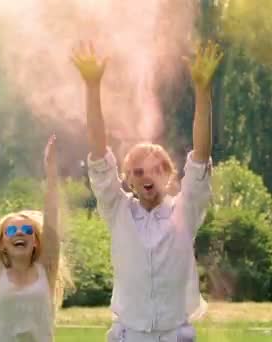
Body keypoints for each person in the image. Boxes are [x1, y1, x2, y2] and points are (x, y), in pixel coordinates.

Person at [72, 41, 223, 341]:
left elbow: (201, 156)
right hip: (129, 334)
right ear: (127, 179)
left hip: (175, 334)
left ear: (169, 176)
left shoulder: (186, 209)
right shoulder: (117, 210)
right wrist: (92, 87)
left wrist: (203, 91)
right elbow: (99, 154)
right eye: (138, 172)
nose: (146, 177)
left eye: (156, 169)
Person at [0, 135, 65, 342]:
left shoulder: (46, 270)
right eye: (10, 231)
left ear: (35, 241)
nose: (19, 233)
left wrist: (51, 174)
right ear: (1, 244)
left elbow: (52, 222)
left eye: (27, 229)